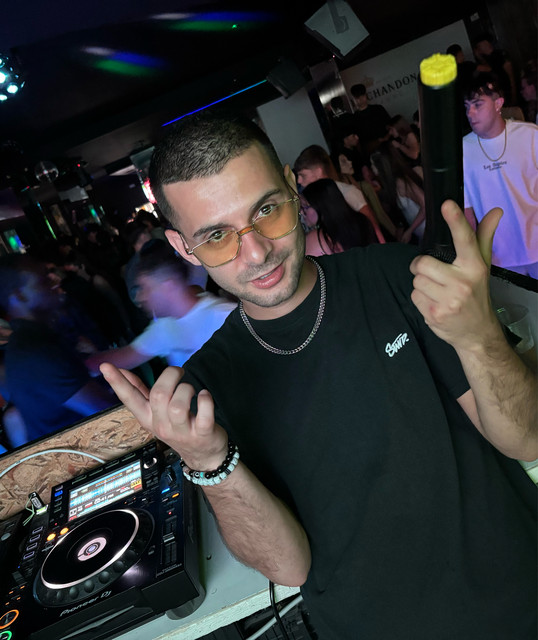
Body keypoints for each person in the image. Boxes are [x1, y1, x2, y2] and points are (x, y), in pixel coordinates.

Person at [100, 111, 536, 640]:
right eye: (217, 236)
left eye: (266, 210)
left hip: (518, 602)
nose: (257, 252)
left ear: (291, 186)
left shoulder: (398, 276)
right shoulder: (207, 386)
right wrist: (210, 463)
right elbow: (288, 567)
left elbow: (525, 438)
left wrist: (479, 333)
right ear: (181, 247)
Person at [0, 254, 116, 447]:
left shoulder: (38, 338)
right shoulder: (34, 349)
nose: (54, 280)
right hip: (92, 453)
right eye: (43, 279)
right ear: (20, 295)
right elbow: (108, 411)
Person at [86, 241, 236, 374]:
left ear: (167, 287)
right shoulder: (164, 326)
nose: (140, 297)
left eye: (145, 288)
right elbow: (124, 357)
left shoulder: (225, 317)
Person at [462, 72, 538, 277]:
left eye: (477, 105)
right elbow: (467, 212)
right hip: (499, 259)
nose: (470, 113)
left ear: (498, 104)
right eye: (467, 106)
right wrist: (474, 256)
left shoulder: (530, 135)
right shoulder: (463, 150)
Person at [293, 145, 386, 244]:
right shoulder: (307, 200)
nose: (299, 181)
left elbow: (373, 227)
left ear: (319, 172)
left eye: (303, 175)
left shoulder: (347, 192)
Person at [302, 178, 379, 256]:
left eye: (305, 206)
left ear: (321, 206)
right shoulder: (362, 221)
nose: (301, 212)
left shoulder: (318, 238)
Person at [371, 141, 426, 244]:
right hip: (422, 233)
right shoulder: (393, 184)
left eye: (373, 164)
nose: (372, 168)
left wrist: (409, 231)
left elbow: (425, 205)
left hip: (427, 231)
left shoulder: (401, 182)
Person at [349, 83, 392, 154]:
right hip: (371, 151)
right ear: (353, 99)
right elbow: (358, 140)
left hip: (388, 145)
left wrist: (386, 137)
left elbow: (390, 125)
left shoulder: (378, 109)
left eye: (362, 95)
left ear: (366, 95)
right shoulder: (354, 118)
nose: (360, 99)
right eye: (357, 97)